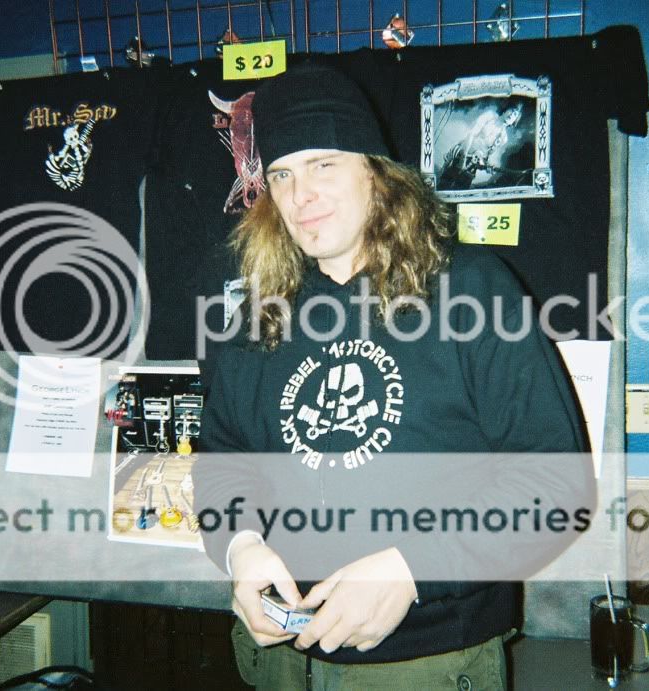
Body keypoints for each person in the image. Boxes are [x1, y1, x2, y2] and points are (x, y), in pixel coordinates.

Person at [193, 62, 593, 689]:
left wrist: (411, 569)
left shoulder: (472, 292)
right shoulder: (258, 313)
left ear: (376, 174)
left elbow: (555, 486)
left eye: (324, 164)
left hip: (425, 660)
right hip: (276, 657)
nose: (301, 195)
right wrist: (240, 547)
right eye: (282, 175)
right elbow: (224, 461)